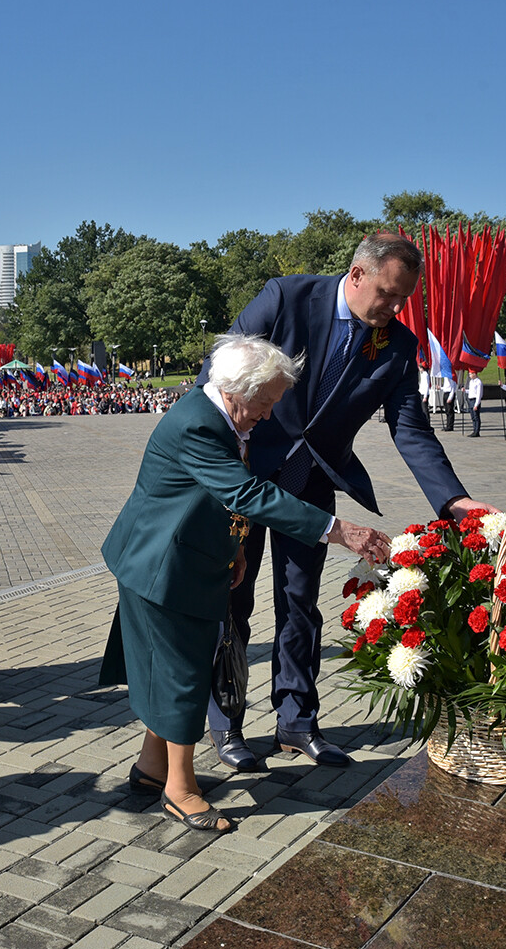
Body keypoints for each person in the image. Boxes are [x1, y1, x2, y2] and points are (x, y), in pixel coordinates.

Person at [200, 231, 494, 771]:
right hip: (242, 476)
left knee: (299, 603)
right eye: (387, 293)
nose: (394, 307)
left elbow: (411, 428)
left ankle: (296, 722)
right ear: (356, 275)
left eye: (405, 298)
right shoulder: (286, 299)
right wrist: (216, 463)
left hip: (310, 483)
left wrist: (454, 500)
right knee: (232, 601)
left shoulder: (398, 345)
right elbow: (217, 375)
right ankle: (227, 721)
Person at [101, 335, 388, 832]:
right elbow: (246, 491)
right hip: (161, 566)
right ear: (236, 390)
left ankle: (152, 768)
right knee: (182, 675)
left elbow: (217, 494)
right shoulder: (197, 422)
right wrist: (338, 530)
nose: (270, 414)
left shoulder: (218, 414)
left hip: (181, 560)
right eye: (266, 401)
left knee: (172, 669)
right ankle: (179, 788)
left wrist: (233, 545)